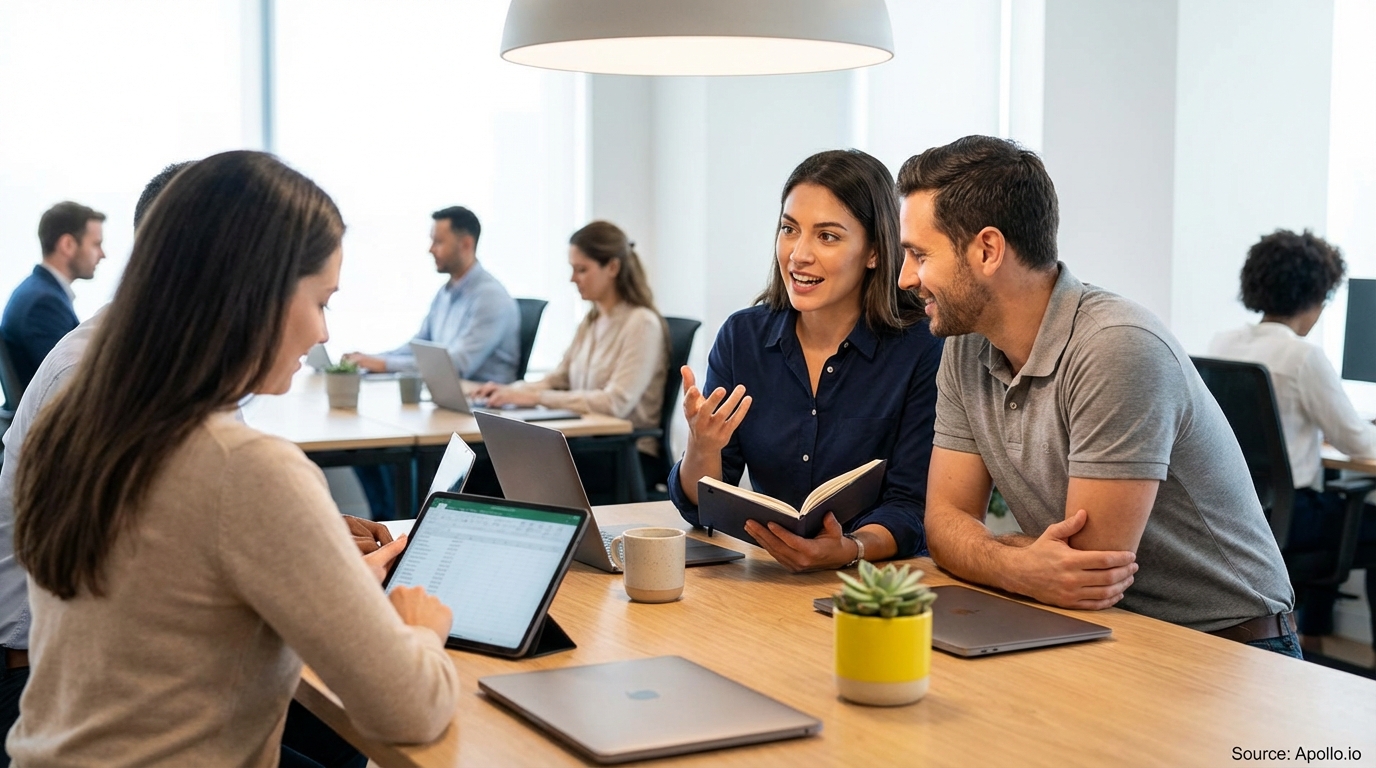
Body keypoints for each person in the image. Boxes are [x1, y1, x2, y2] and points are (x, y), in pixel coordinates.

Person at [7, 151, 460, 765]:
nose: (325, 333)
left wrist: (317, 558)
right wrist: (418, 631)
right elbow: (410, 709)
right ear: (259, 296)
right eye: (322, 302)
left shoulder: (90, 416)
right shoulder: (242, 465)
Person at [902, 135, 1298, 657]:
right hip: (1101, 632)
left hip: (1224, 649)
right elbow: (944, 521)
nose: (907, 278)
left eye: (919, 255)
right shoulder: (966, 344)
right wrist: (1019, 563)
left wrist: (988, 553)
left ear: (988, 250)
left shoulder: (1116, 346)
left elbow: (1088, 574)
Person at [668, 149, 942, 572]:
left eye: (827, 236)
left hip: (877, 584)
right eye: (789, 229)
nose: (798, 254)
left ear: (874, 251)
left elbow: (911, 507)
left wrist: (851, 548)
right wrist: (702, 447)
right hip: (769, 578)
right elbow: (704, 506)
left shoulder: (921, 348)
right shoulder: (744, 338)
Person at [1208, 229, 1376, 643]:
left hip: (1236, 514)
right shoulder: (1304, 356)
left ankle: (1313, 635)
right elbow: (1361, 445)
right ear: (1317, 297)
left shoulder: (1222, 343)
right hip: (1292, 518)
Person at [472, 221, 668, 480]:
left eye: (582, 269)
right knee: (485, 464)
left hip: (624, 456)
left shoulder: (642, 324)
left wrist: (537, 398)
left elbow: (615, 403)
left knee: (492, 473)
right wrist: (511, 391)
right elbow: (559, 378)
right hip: (587, 444)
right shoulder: (592, 320)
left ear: (612, 267)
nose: (572, 278)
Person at [344, 206, 520, 383]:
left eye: (439, 242)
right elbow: (419, 347)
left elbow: (456, 366)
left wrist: (384, 364)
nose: (431, 249)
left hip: (483, 403)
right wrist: (369, 359)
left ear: (466, 244)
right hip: (445, 396)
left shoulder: (490, 297)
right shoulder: (445, 292)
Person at [0, 201, 105, 404]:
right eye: (96, 244)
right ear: (67, 245)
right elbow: (70, 383)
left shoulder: (36, 292)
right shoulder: (43, 303)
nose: (103, 254)